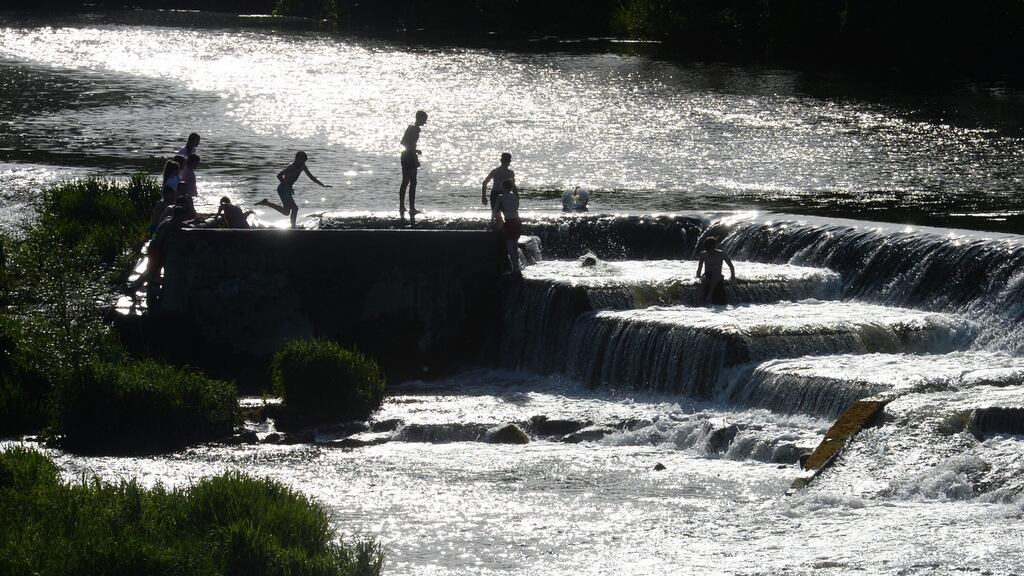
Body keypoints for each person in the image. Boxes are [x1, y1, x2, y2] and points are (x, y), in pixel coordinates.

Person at [256, 151, 330, 228]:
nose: (303, 163)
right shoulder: (291, 167)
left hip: (286, 189)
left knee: (286, 212)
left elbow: (311, 177)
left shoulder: (303, 166)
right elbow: (279, 175)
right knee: (295, 209)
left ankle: (266, 203)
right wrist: (288, 187)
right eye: (302, 161)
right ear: (297, 159)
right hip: (283, 189)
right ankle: (293, 228)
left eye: (304, 162)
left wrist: (322, 185)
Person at [129, 206, 189, 300]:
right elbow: (160, 240)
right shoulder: (169, 225)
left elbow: (183, 224)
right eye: (183, 217)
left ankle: (135, 288)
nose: (184, 219)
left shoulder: (168, 219)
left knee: (150, 271)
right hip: (156, 250)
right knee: (152, 272)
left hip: (153, 247)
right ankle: (141, 290)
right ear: (179, 216)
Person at [399, 110, 428, 216]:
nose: (425, 122)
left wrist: (414, 151)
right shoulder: (415, 129)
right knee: (412, 183)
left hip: (406, 155)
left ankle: (403, 207)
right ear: (419, 118)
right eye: (424, 120)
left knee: (406, 182)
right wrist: (416, 151)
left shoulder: (411, 128)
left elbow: (403, 142)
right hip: (409, 156)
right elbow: (405, 143)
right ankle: (411, 207)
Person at [694, 236, 735, 305]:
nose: (709, 251)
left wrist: (733, 276)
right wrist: (698, 277)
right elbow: (699, 268)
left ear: (714, 246)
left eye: (710, 249)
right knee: (704, 281)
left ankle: (709, 295)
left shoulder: (722, 254)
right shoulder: (703, 254)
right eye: (707, 249)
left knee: (715, 274)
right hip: (707, 274)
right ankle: (698, 301)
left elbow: (731, 266)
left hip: (718, 275)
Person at [495, 179, 522, 277]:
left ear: (503, 187)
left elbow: (495, 212)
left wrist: (495, 222)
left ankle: (515, 269)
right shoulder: (515, 197)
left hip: (509, 223)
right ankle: (517, 268)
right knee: (515, 245)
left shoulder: (500, 197)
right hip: (517, 222)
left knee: (510, 246)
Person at [482, 152, 517, 221]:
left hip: (497, 194)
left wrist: (483, 196)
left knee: (497, 216)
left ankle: (498, 228)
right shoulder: (509, 172)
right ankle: (501, 228)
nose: (509, 162)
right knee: (506, 215)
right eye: (508, 160)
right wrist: (516, 197)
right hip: (503, 194)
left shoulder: (496, 171)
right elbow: (513, 186)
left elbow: (484, 183)